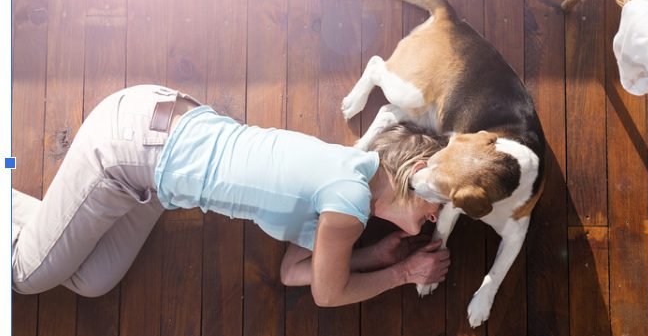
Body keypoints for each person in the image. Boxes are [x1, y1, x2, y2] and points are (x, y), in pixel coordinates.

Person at [12, 84, 450, 306]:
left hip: (152, 173)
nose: (437, 215)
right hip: (132, 150)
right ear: (416, 173)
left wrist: (374, 257)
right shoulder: (348, 200)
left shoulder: (343, 189)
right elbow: (329, 294)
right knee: (25, 276)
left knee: (93, 279)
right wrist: (403, 274)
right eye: (439, 201)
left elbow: (292, 272)